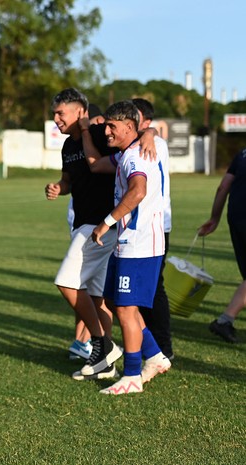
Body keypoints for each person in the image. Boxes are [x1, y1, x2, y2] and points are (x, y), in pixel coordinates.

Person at [85, 100, 171, 395]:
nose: (106, 131)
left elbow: (138, 190)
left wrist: (106, 222)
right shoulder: (127, 153)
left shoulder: (135, 155)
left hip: (140, 243)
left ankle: (132, 374)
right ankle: (156, 356)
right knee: (113, 301)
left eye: (112, 126)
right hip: (128, 243)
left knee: (124, 308)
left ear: (130, 127)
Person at [45, 90, 120, 379]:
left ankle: (103, 344)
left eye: (60, 113)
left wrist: (149, 134)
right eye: (54, 113)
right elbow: (68, 181)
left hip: (101, 225)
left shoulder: (102, 133)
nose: (55, 119)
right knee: (96, 296)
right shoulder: (66, 146)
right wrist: (58, 188)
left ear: (80, 112)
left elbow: (135, 135)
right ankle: (107, 361)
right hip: (84, 223)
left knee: (66, 282)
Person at [133, 98, 174, 359]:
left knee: (153, 289)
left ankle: (163, 349)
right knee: (140, 291)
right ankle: (150, 347)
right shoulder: (142, 138)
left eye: (133, 116)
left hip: (155, 227)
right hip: (139, 229)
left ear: (146, 121)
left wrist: (149, 132)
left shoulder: (154, 143)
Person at [198, 147, 246, 343]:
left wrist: (214, 218)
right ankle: (225, 320)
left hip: (236, 217)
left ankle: (225, 320)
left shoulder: (242, 153)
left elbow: (223, 186)